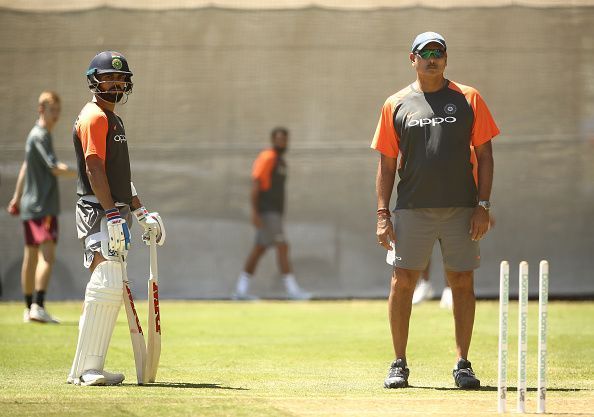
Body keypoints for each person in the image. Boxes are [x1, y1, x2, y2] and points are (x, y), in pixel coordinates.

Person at [371, 32, 499, 389]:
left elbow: (486, 156)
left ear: (445, 58)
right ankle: (399, 363)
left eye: (438, 53)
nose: (432, 59)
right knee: (402, 283)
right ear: (412, 59)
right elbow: (386, 163)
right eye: (425, 53)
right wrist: (383, 215)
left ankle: (462, 364)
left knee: (461, 281)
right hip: (411, 209)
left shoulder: (469, 98)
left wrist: (483, 206)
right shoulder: (395, 103)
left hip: (462, 208)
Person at [67, 51, 165, 386]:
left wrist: (138, 211)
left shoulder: (114, 118)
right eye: (110, 77)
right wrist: (110, 212)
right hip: (97, 208)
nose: (117, 83)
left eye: (121, 78)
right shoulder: (94, 116)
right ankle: (86, 370)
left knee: (106, 291)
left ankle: (86, 367)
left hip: (113, 208)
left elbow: (119, 174)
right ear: (94, 80)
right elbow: (94, 168)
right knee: (107, 283)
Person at [7, 91, 76, 323]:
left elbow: (26, 167)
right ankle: (38, 305)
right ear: (41, 109)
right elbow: (54, 167)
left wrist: (16, 198)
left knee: (31, 256)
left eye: (58, 110)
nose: (56, 115)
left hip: (29, 206)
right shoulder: (41, 135)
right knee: (47, 257)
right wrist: (84, 174)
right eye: (51, 110)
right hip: (43, 206)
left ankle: (29, 309)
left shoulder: (34, 136)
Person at [233, 127, 311, 300]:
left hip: (275, 213)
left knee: (259, 249)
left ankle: (240, 291)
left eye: (285, 139)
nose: (282, 142)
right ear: (273, 140)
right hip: (268, 213)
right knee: (283, 246)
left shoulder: (281, 162)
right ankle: (292, 291)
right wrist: (254, 212)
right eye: (279, 139)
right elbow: (256, 185)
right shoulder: (267, 157)